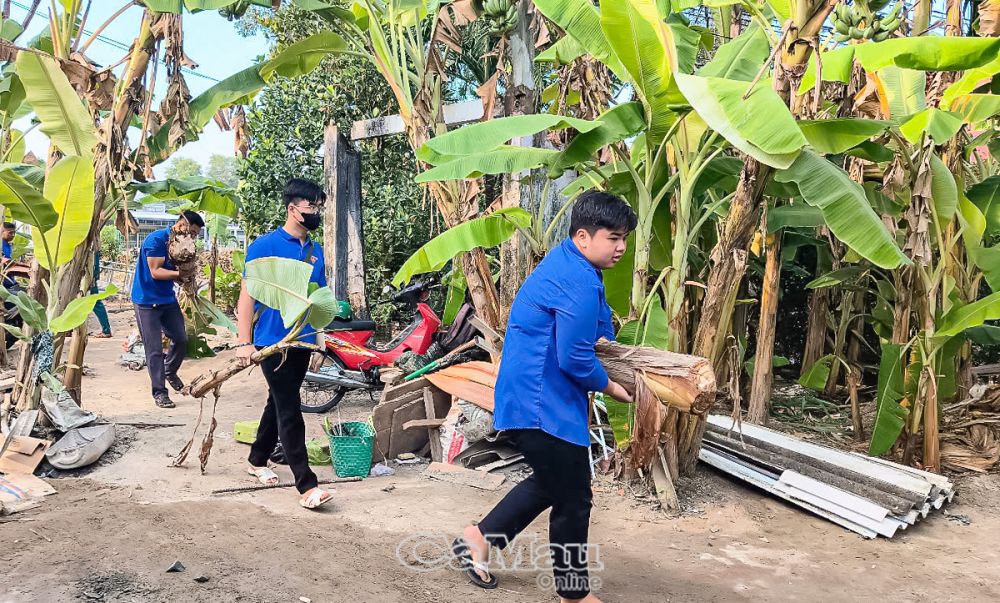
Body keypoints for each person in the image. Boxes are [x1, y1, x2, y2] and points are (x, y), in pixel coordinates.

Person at [454, 191, 637, 603]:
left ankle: (479, 539)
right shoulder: (577, 280)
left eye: (624, 237)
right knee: (574, 498)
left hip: (536, 399)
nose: (621, 247)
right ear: (584, 236)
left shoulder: (574, 265)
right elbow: (574, 357)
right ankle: (573, 594)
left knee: (551, 483)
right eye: (613, 237)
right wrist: (612, 387)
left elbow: (598, 331)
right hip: (541, 404)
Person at [235, 178, 333, 510]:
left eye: (319, 206)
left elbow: (317, 301)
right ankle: (307, 486)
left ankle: (257, 459)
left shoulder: (315, 251)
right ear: (293, 208)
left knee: (276, 403)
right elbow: (246, 299)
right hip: (272, 343)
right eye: (311, 207)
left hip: (302, 341)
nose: (316, 212)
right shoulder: (263, 246)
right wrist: (244, 343)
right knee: (290, 409)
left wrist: (320, 340)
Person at [131, 210, 204, 409]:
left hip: (167, 299)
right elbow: (156, 271)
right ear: (182, 225)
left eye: (196, 235)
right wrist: (180, 274)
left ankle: (170, 371)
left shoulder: (183, 245)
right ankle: (160, 393)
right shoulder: (157, 240)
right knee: (154, 349)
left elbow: (181, 270)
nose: (193, 237)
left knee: (181, 339)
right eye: (193, 232)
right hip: (146, 301)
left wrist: (187, 279)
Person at [90, 249, 113, 338]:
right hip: (91, 275)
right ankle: (106, 329)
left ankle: (106, 330)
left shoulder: (92, 245)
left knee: (95, 302)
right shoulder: (94, 246)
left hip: (89, 276)